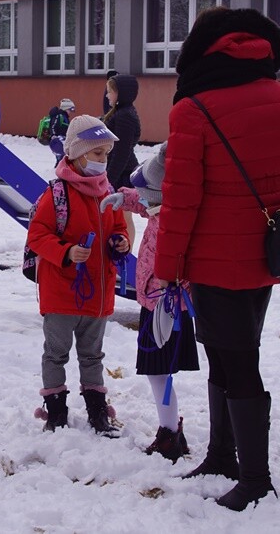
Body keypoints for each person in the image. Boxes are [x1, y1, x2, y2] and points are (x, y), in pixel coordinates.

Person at [155, 7, 280, 511]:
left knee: (235, 360)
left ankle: (255, 477)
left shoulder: (193, 109)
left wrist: (168, 265)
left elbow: (182, 199)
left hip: (210, 258)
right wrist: (277, 241)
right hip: (263, 254)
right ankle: (223, 453)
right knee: (233, 351)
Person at [27, 115, 131, 437]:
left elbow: (118, 228)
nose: (103, 161)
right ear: (76, 153)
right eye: (97, 154)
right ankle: (56, 411)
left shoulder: (106, 193)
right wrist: (67, 252)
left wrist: (121, 242)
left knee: (92, 355)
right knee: (56, 354)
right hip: (61, 293)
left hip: (96, 294)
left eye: (106, 155)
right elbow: (37, 235)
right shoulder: (57, 194)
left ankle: (97, 412)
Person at [99, 143, 199, 460]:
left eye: (146, 194)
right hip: (154, 300)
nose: (141, 200)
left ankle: (170, 434)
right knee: (160, 371)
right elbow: (144, 201)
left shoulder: (176, 220)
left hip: (167, 306)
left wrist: (174, 293)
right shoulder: (161, 208)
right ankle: (170, 428)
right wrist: (125, 198)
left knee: (160, 371)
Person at [103, 73, 141, 242]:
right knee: (118, 218)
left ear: (120, 93)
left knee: (123, 220)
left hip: (121, 174)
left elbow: (122, 153)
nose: (107, 95)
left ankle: (125, 255)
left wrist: (109, 180)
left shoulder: (125, 116)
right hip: (118, 171)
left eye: (109, 91)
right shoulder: (120, 112)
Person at [47, 98, 75, 164]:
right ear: (66, 108)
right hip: (58, 140)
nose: (70, 111)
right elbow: (53, 126)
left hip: (63, 139)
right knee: (61, 157)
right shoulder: (59, 116)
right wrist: (54, 136)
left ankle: (58, 169)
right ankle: (58, 170)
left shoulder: (65, 117)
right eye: (70, 109)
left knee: (63, 157)